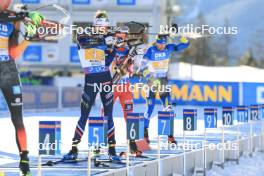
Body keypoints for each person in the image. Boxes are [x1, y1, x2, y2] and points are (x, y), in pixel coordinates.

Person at [63, 10, 120, 162]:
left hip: (105, 78)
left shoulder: (106, 39)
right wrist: (104, 39)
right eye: (102, 27)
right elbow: (82, 41)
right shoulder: (84, 35)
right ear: (95, 26)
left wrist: (113, 47)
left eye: (106, 28)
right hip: (90, 80)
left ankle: (112, 150)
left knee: (109, 116)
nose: (105, 30)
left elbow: (106, 62)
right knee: (84, 115)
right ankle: (73, 149)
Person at [0, 0, 44, 175]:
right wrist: (23, 15)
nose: (7, 2)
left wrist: (28, 39)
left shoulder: (12, 19)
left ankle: (24, 161)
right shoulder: (12, 16)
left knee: (18, 118)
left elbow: (14, 53)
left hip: (8, 70)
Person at [140, 33, 190, 145]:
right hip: (152, 82)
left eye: (163, 44)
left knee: (168, 108)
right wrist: (149, 77)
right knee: (150, 108)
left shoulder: (168, 48)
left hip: (163, 81)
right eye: (160, 44)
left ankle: (170, 136)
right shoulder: (150, 50)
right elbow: (142, 67)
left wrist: (181, 36)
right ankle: (144, 134)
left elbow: (185, 45)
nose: (162, 46)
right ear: (156, 42)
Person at [108, 26, 142, 156]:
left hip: (125, 87)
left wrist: (132, 59)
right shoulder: (110, 48)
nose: (119, 40)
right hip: (111, 86)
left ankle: (132, 144)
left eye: (122, 37)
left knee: (130, 115)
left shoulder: (130, 51)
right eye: (118, 37)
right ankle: (99, 144)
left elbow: (132, 71)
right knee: (105, 114)